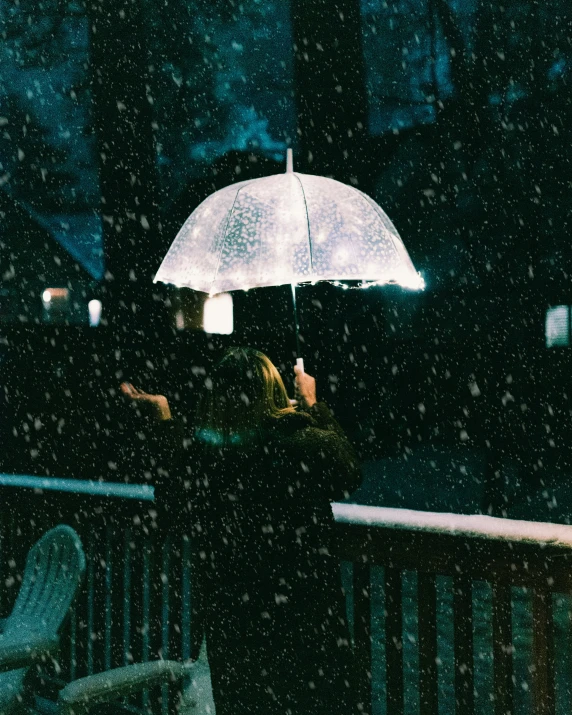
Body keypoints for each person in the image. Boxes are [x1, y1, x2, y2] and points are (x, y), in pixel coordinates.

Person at [120, 347, 362, 715]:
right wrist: (312, 405)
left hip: (235, 622)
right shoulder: (299, 445)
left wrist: (164, 418)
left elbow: (173, 498)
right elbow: (348, 472)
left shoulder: (211, 458)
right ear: (274, 392)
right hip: (305, 618)